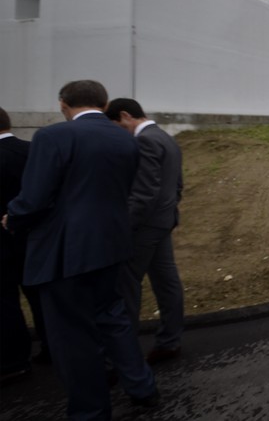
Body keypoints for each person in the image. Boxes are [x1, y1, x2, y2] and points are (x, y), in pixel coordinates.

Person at [2, 80, 159, 419]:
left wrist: (12, 217)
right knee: (113, 318)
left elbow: (34, 197)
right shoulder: (126, 138)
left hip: (65, 251)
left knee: (73, 336)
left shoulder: (52, 137)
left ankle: (90, 410)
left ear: (62, 103)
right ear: (104, 104)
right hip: (112, 243)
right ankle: (142, 386)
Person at [105, 98, 185, 366]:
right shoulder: (165, 136)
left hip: (143, 227)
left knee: (126, 287)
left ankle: (122, 354)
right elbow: (177, 185)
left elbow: (143, 192)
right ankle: (169, 341)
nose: (118, 132)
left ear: (125, 116)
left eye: (116, 125)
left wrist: (123, 225)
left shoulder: (145, 141)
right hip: (163, 221)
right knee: (166, 281)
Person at [0, 107, 50, 386]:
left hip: (3, 243)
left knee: (5, 302)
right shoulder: (33, 150)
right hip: (34, 238)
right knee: (40, 297)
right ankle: (51, 348)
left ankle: (14, 361)